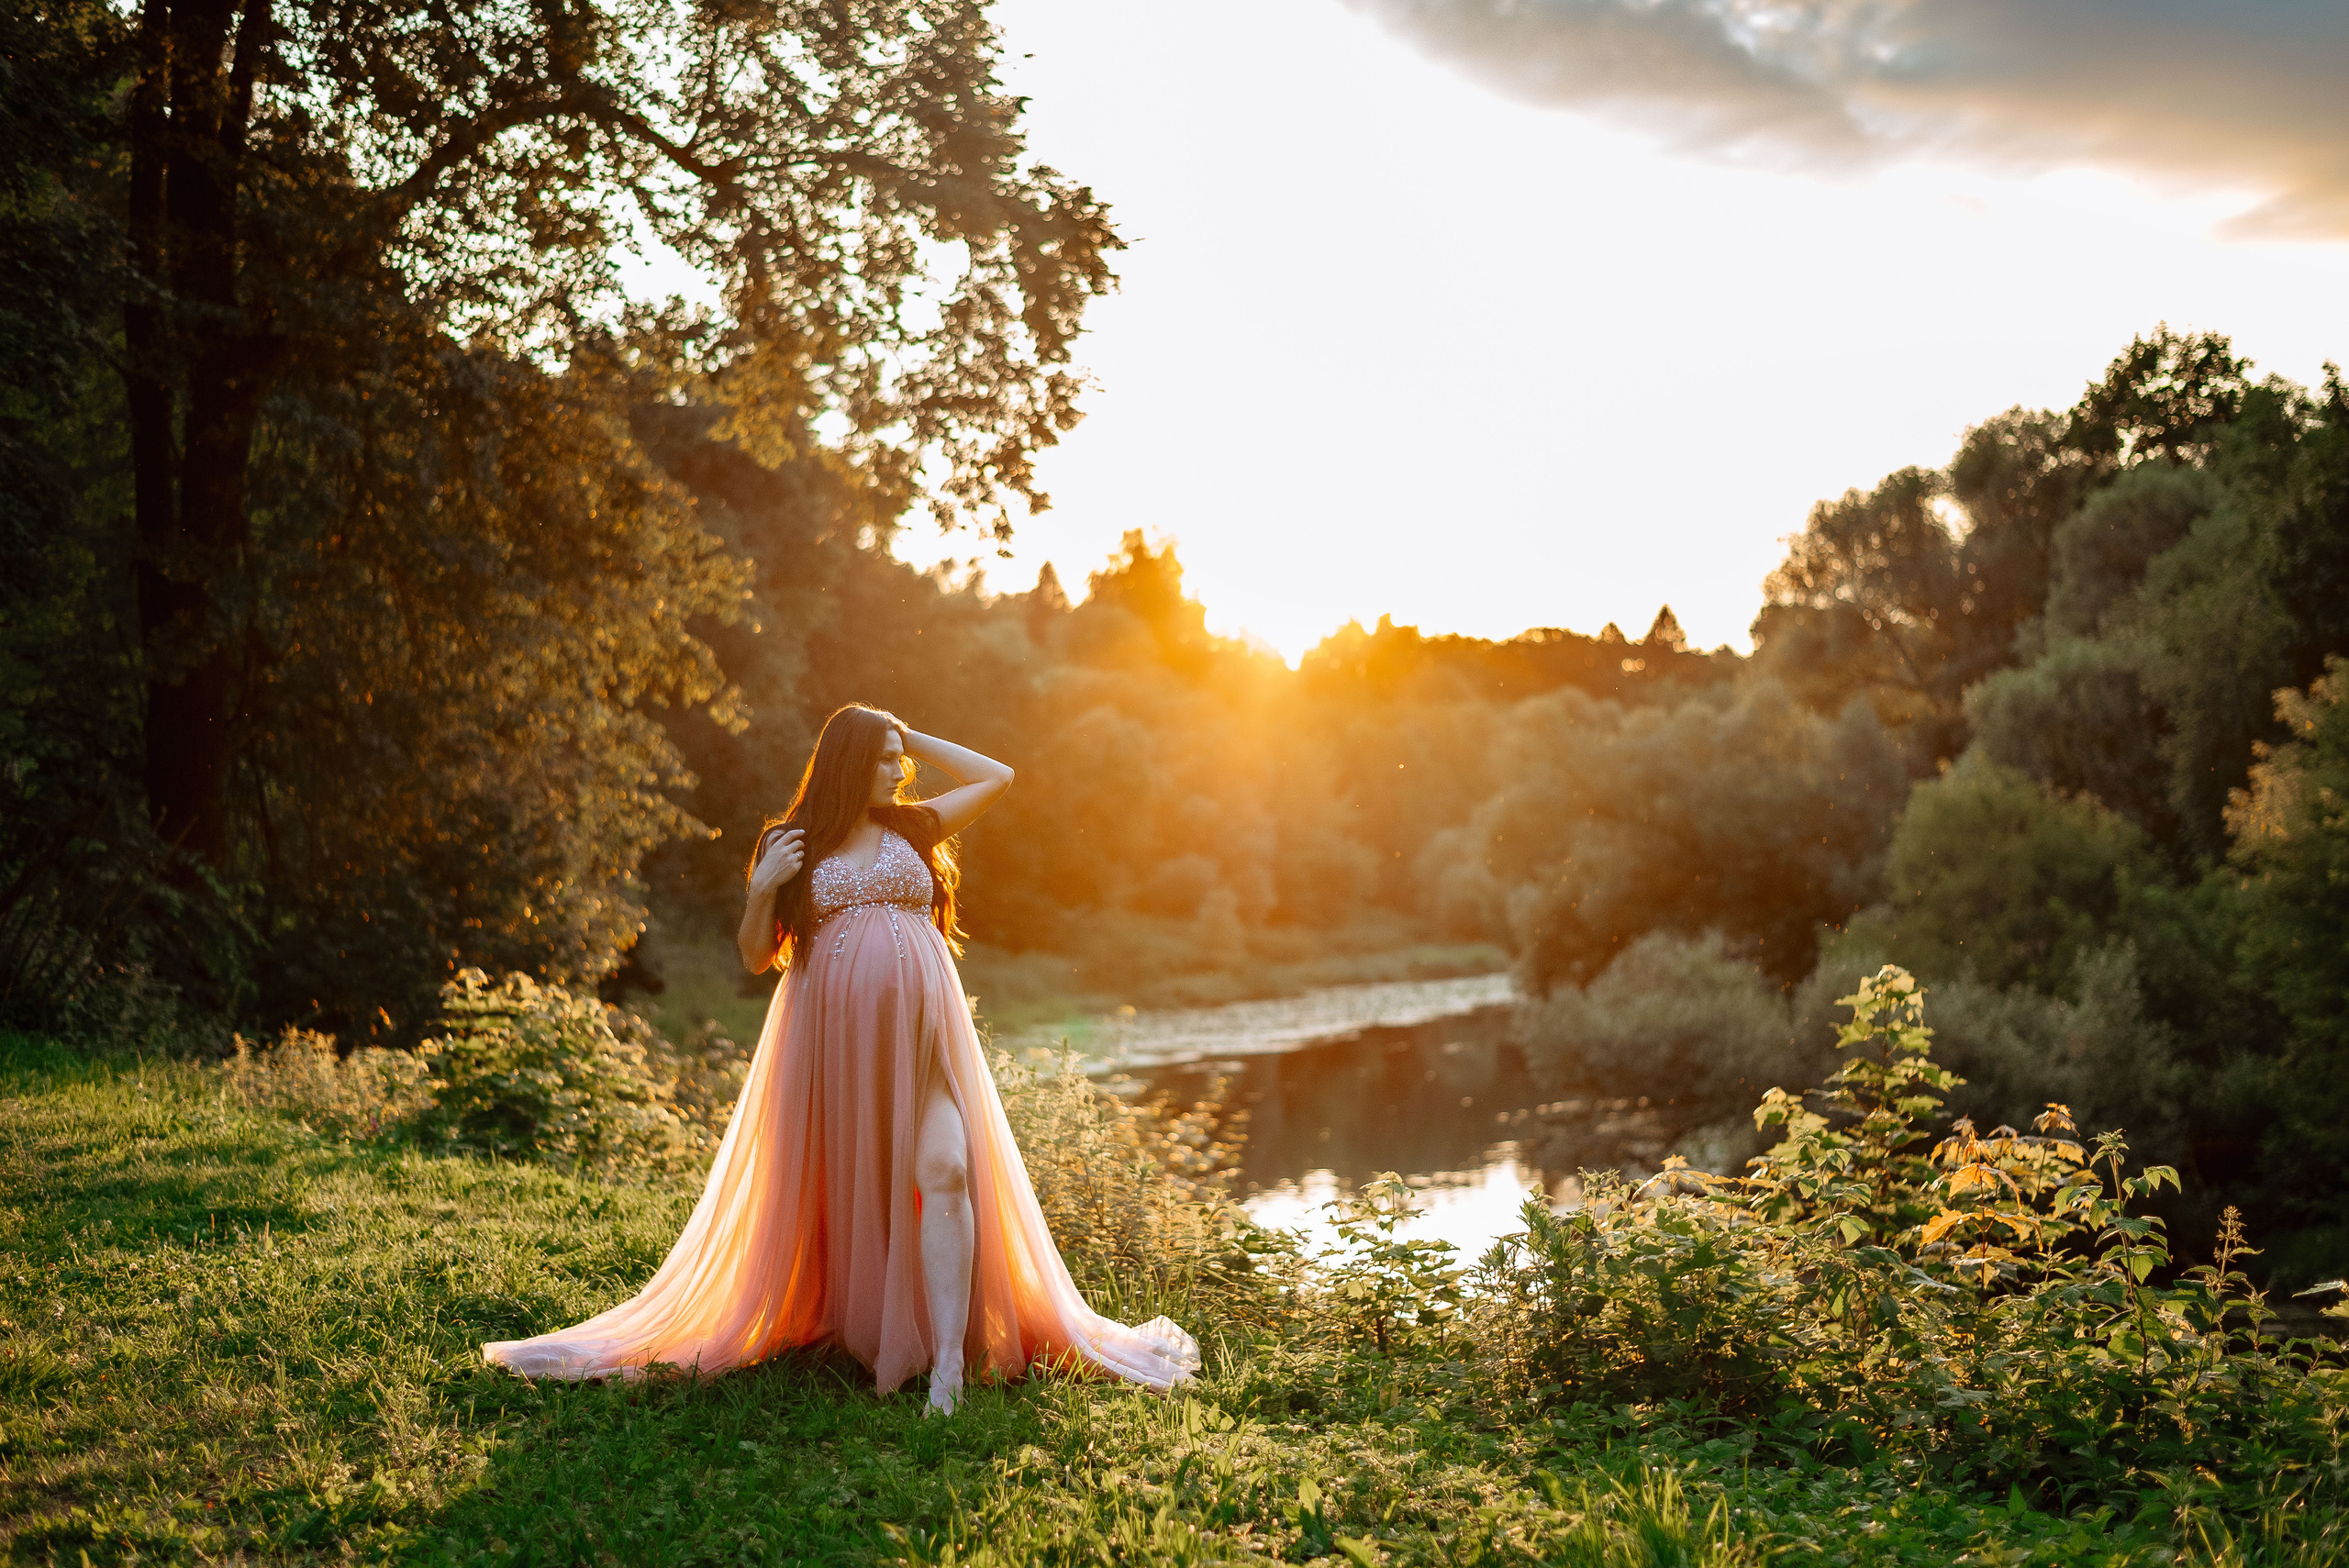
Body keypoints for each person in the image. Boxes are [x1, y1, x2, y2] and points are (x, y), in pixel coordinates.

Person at [483, 704, 1199, 1412]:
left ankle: (949, 1364)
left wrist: (910, 732)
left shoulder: (913, 826)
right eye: (884, 758)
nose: (899, 770)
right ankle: (872, 1328)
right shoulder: (792, 842)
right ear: (849, 761)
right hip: (838, 1052)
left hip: (926, 1045)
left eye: (899, 757)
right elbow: (756, 954)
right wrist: (762, 887)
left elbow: (998, 777)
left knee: (947, 1168)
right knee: (856, 1186)